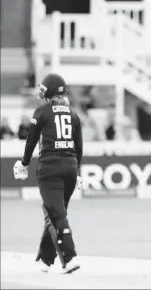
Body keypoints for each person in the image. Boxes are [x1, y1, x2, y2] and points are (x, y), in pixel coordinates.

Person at [13, 73, 83, 274]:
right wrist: (77, 171)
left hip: (50, 168)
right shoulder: (73, 113)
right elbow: (79, 147)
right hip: (70, 167)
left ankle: (70, 258)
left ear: (49, 91)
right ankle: (45, 259)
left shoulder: (42, 111)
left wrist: (24, 163)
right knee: (57, 213)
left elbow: (31, 140)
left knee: (56, 214)